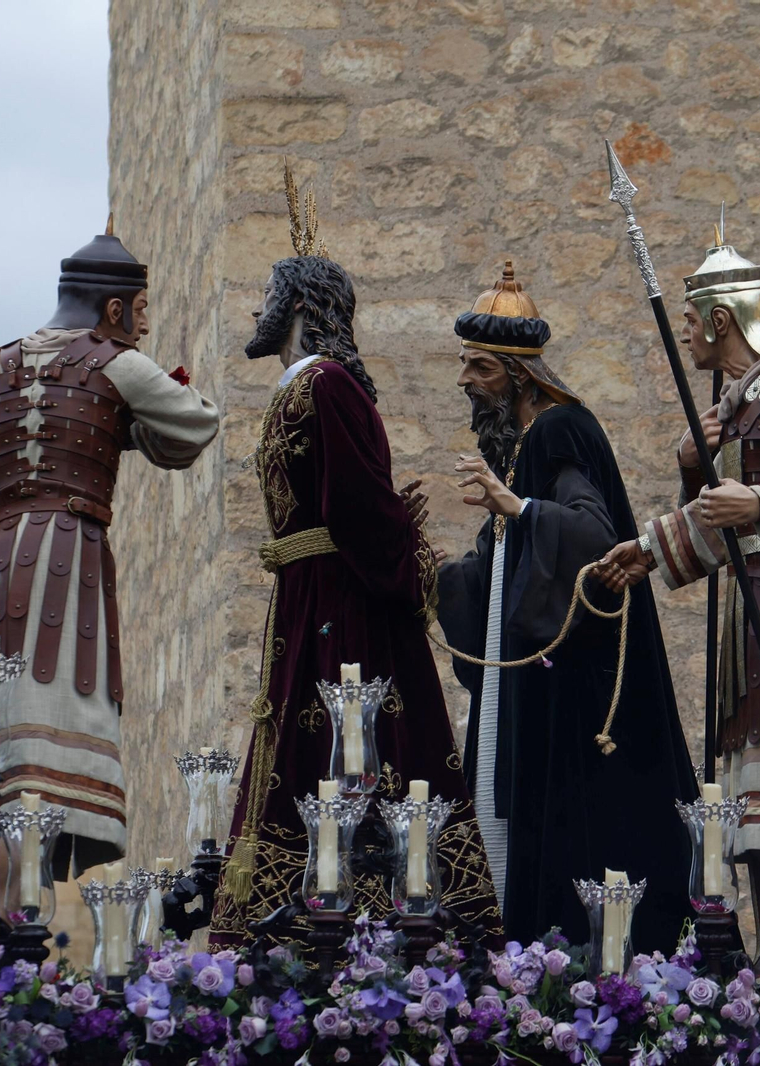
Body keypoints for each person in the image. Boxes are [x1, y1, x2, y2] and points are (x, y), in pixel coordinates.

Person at [210, 179, 500, 944]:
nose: (255, 309)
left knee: (348, 753)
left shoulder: (328, 385)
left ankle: (362, 906)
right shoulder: (306, 387)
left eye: (267, 293)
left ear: (300, 303)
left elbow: (360, 508)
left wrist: (415, 567)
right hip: (315, 596)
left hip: (343, 605)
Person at [0, 223, 220, 942]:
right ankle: (5, 935)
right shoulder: (118, 364)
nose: (143, 324)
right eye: (140, 311)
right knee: (41, 767)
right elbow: (195, 425)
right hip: (65, 572)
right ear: (115, 311)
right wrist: (137, 408)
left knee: (0, 760)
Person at [598, 233, 760, 933]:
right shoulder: (747, 399)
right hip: (756, 629)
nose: (685, 333)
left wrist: (759, 502)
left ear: (721, 321)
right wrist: (652, 547)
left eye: (691, 319)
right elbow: (727, 515)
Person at [433, 260, 696, 952]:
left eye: (480, 368)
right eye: (466, 365)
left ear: (519, 376)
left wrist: (517, 507)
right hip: (549, 686)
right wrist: (439, 574)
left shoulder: (559, 431)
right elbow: (506, 575)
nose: (465, 381)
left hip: (579, 699)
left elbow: (591, 535)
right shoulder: (525, 447)